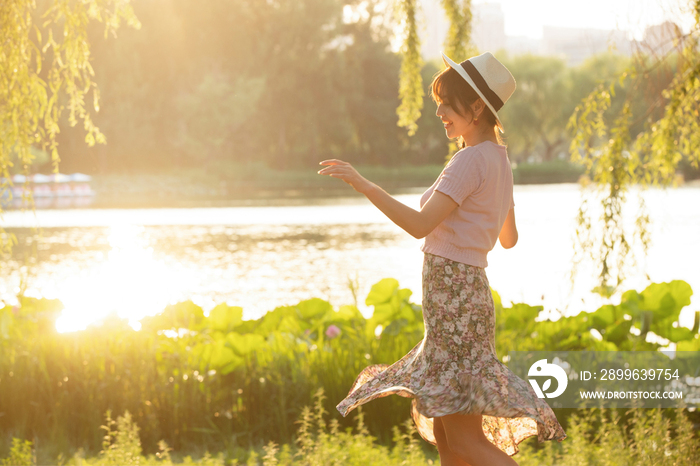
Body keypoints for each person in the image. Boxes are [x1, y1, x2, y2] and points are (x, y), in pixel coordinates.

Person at [317, 51, 567, 466]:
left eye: (446, 104)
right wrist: (493, 205)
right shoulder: (498, 161)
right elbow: (509, 238)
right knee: (448, 441)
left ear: (475, 108)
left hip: (455, 304)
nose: (439, 112)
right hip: (465, 301)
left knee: (465, 442)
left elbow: (419, 225)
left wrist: (364, 185)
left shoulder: (469, 160)